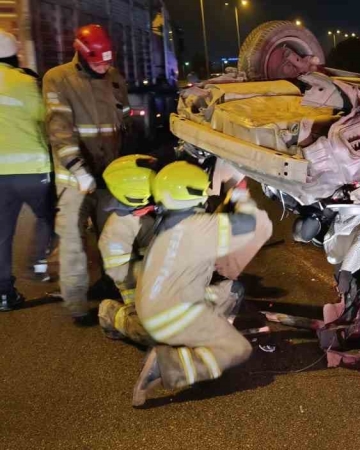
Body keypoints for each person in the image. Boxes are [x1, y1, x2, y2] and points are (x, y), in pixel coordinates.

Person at [131, 162, 273, 406]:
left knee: (232, 290)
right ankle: (168, 366)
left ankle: (204, 339)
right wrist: (240, 193)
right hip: (174, 313)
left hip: (154, 304)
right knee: (238, 349)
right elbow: (248, 224)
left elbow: (213, 223)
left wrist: (226, 203)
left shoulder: (169, 222)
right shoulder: (198, 227)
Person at [42, 24, 132, 322]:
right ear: (82, 55)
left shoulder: (114, 77)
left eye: (107, 61)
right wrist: (78, 169)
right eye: (98, 63)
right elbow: (59, 129)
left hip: (110, 174)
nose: (104, 67)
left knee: (113, 236)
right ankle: (77, 304)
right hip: (75, 178)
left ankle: (112, 287)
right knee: (72, 240)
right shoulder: (58, 79)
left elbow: (125, 122)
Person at [0, 29, 55, 312]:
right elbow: (45, 118)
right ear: (13, 54)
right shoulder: (24, 82)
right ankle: (39, 264)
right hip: (32, 170)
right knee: (51, 217)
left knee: (2, 235)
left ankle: (4, 294)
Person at [97, 155, 158, 346]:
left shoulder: (142, 217)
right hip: (138, 292)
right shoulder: (117, 228)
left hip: (155, 285)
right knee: (153, 334)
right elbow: (122, 274)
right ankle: (110, 313)